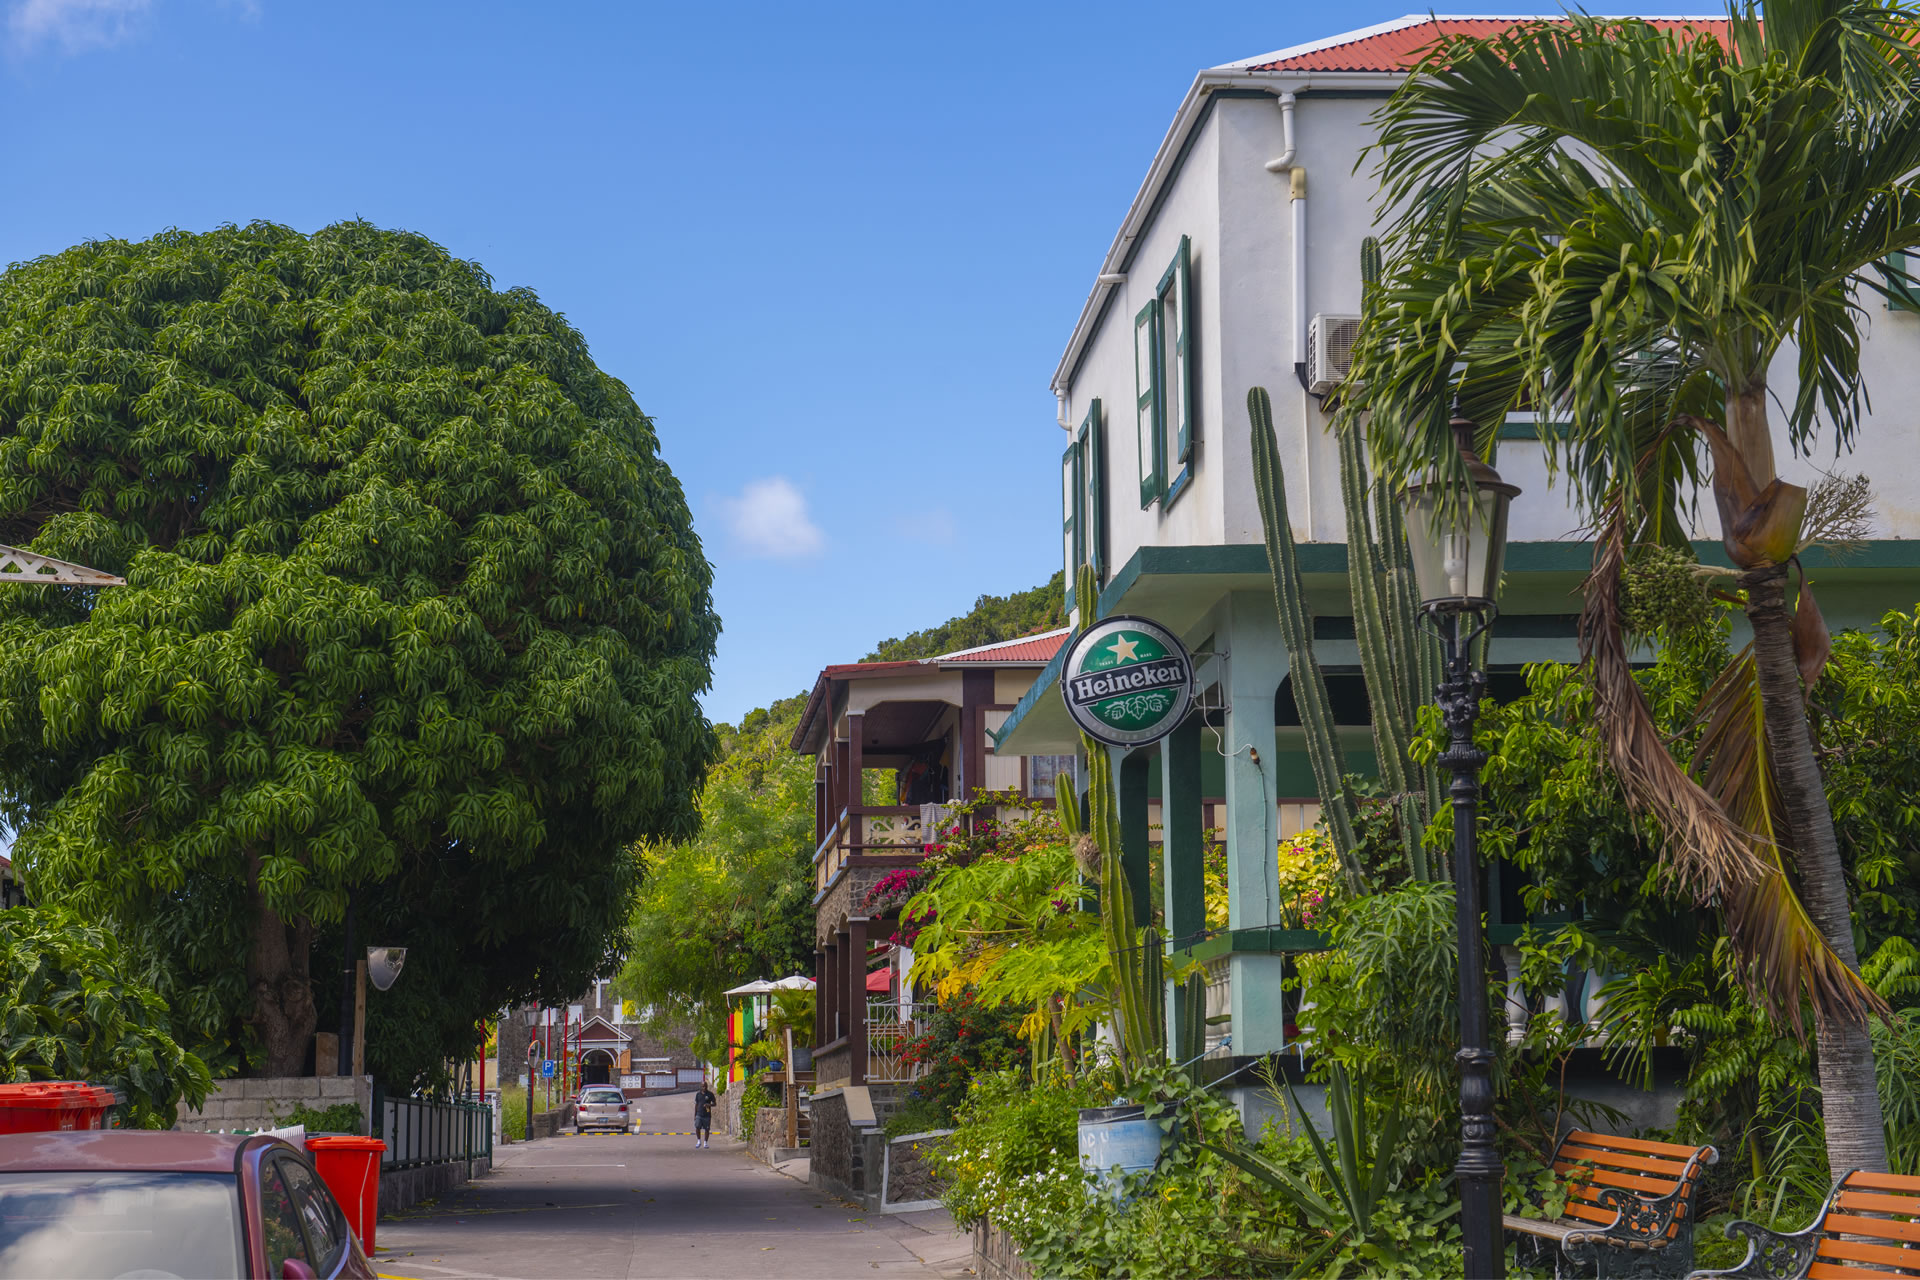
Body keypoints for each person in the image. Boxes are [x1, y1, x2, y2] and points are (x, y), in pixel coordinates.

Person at [692, 1079, 717, 1148]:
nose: (704, 1088)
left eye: (705, 1086)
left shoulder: (710, 1094)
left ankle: (705, 1143)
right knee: (697, 1127)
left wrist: (709, 1105)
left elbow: (715, 1103)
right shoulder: (698, 1094)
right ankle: (699, 1141)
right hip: (699, 1114)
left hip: (707, 1115)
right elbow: (696, 1104)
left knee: (707, 1129)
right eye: (703, 1086)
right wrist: (695, 1115)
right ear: (701, 1087)